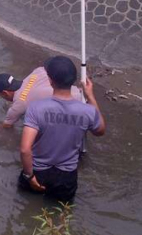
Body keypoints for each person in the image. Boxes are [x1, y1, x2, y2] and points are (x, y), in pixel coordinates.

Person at [19, 56, 106, 202]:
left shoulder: (35, 108)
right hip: (66, 177)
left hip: (38, 171)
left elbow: (25, 149)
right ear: (73, 81)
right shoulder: (87, 111)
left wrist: (29, 176)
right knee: (61, 214)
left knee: (26, 207)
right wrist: (90, 96)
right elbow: (100, 131)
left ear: (50, 80)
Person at [0, 66, 82, 128]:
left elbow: (7, 126)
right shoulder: (37, 72)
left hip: (76, 112)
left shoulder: (19, 104)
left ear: (5, 93)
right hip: (81, 93)